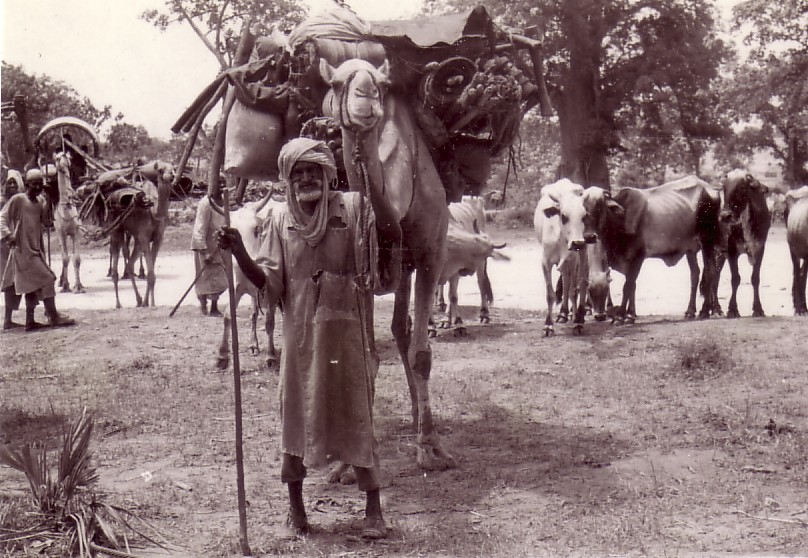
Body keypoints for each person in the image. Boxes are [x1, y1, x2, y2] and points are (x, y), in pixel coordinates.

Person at [216, 138, 395, 539]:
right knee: (295, 418)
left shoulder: (354, 207)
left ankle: (373, 511)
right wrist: (240, 252)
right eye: (297, 173)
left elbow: (382, 249)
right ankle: (296, 511)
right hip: (301, 341)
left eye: (313, 170)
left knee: (357, 414)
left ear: (328, 173)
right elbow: (270, 283)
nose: (306, 178)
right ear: (287, 179)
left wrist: (369, 176)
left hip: (348, 335)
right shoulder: (280, 220)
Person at [0, 168, 76, 331]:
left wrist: (49, 201)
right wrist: (8, 235)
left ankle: (30, 321)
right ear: (27, 184)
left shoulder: (41, 200)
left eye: (40, 184)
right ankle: (53, 316)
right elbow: (2, 218)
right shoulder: (18, 199)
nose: (38, 187)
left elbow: (47, 222)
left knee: (31, 284)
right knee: (47, 278)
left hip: (35, 248)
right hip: (21, 250)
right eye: (34, 184)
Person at [190, 186, 228, 316]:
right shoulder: (205, 203)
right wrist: (203, 249)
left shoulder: (224, 201)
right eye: (219, 183)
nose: (221, 186)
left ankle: (214, 307)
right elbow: (199, 227)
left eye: (223, 183)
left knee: (219, 279)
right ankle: (205, 305)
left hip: (219, 245)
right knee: (205, 277)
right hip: (206, 246)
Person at [1, 170, 23, 329]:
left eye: (15, 182)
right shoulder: (2, 202)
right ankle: (7, 320)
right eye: (10, 183)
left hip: (19, 244)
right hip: (4, 244)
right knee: (9, 280)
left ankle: (9, 319)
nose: (12, 185)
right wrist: (7, 236)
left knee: (17, 281)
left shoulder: (21, 200)